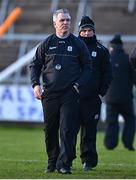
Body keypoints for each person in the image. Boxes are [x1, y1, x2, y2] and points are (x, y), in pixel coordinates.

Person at [30, 9, 92, 174]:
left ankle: (64, 164)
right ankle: (52, 162)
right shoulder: (47, 43)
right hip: (49, 94)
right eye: (62, 20)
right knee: (50, 129)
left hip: (70, 94)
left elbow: (88, 68)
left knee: (67, 129)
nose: (66, 23)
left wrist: (77, 85)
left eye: (68, 20)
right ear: (55, 23)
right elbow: (35, 65)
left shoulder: (78, 44)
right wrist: (36, 85)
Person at [78, 16, 112, 171]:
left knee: (89, 132)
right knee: (68, 131)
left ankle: (88, 161)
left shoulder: (101, 50)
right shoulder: (72, 47)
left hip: (92, 98)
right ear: (79, 31)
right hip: (72, 97)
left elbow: (108, 74)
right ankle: (65, 160)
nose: (86, 33)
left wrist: (100, 92)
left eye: (89, 30)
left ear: (93, 31)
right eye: (83, 30)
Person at [104, 34, 136, 151]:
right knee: (130, 120)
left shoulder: (107, 59)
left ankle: (110, 144)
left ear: (112, 47)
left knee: (111, 121)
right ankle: (128, 144)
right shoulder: (128, 59)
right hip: (126, 97)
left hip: (110, 97)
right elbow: (134, 78)